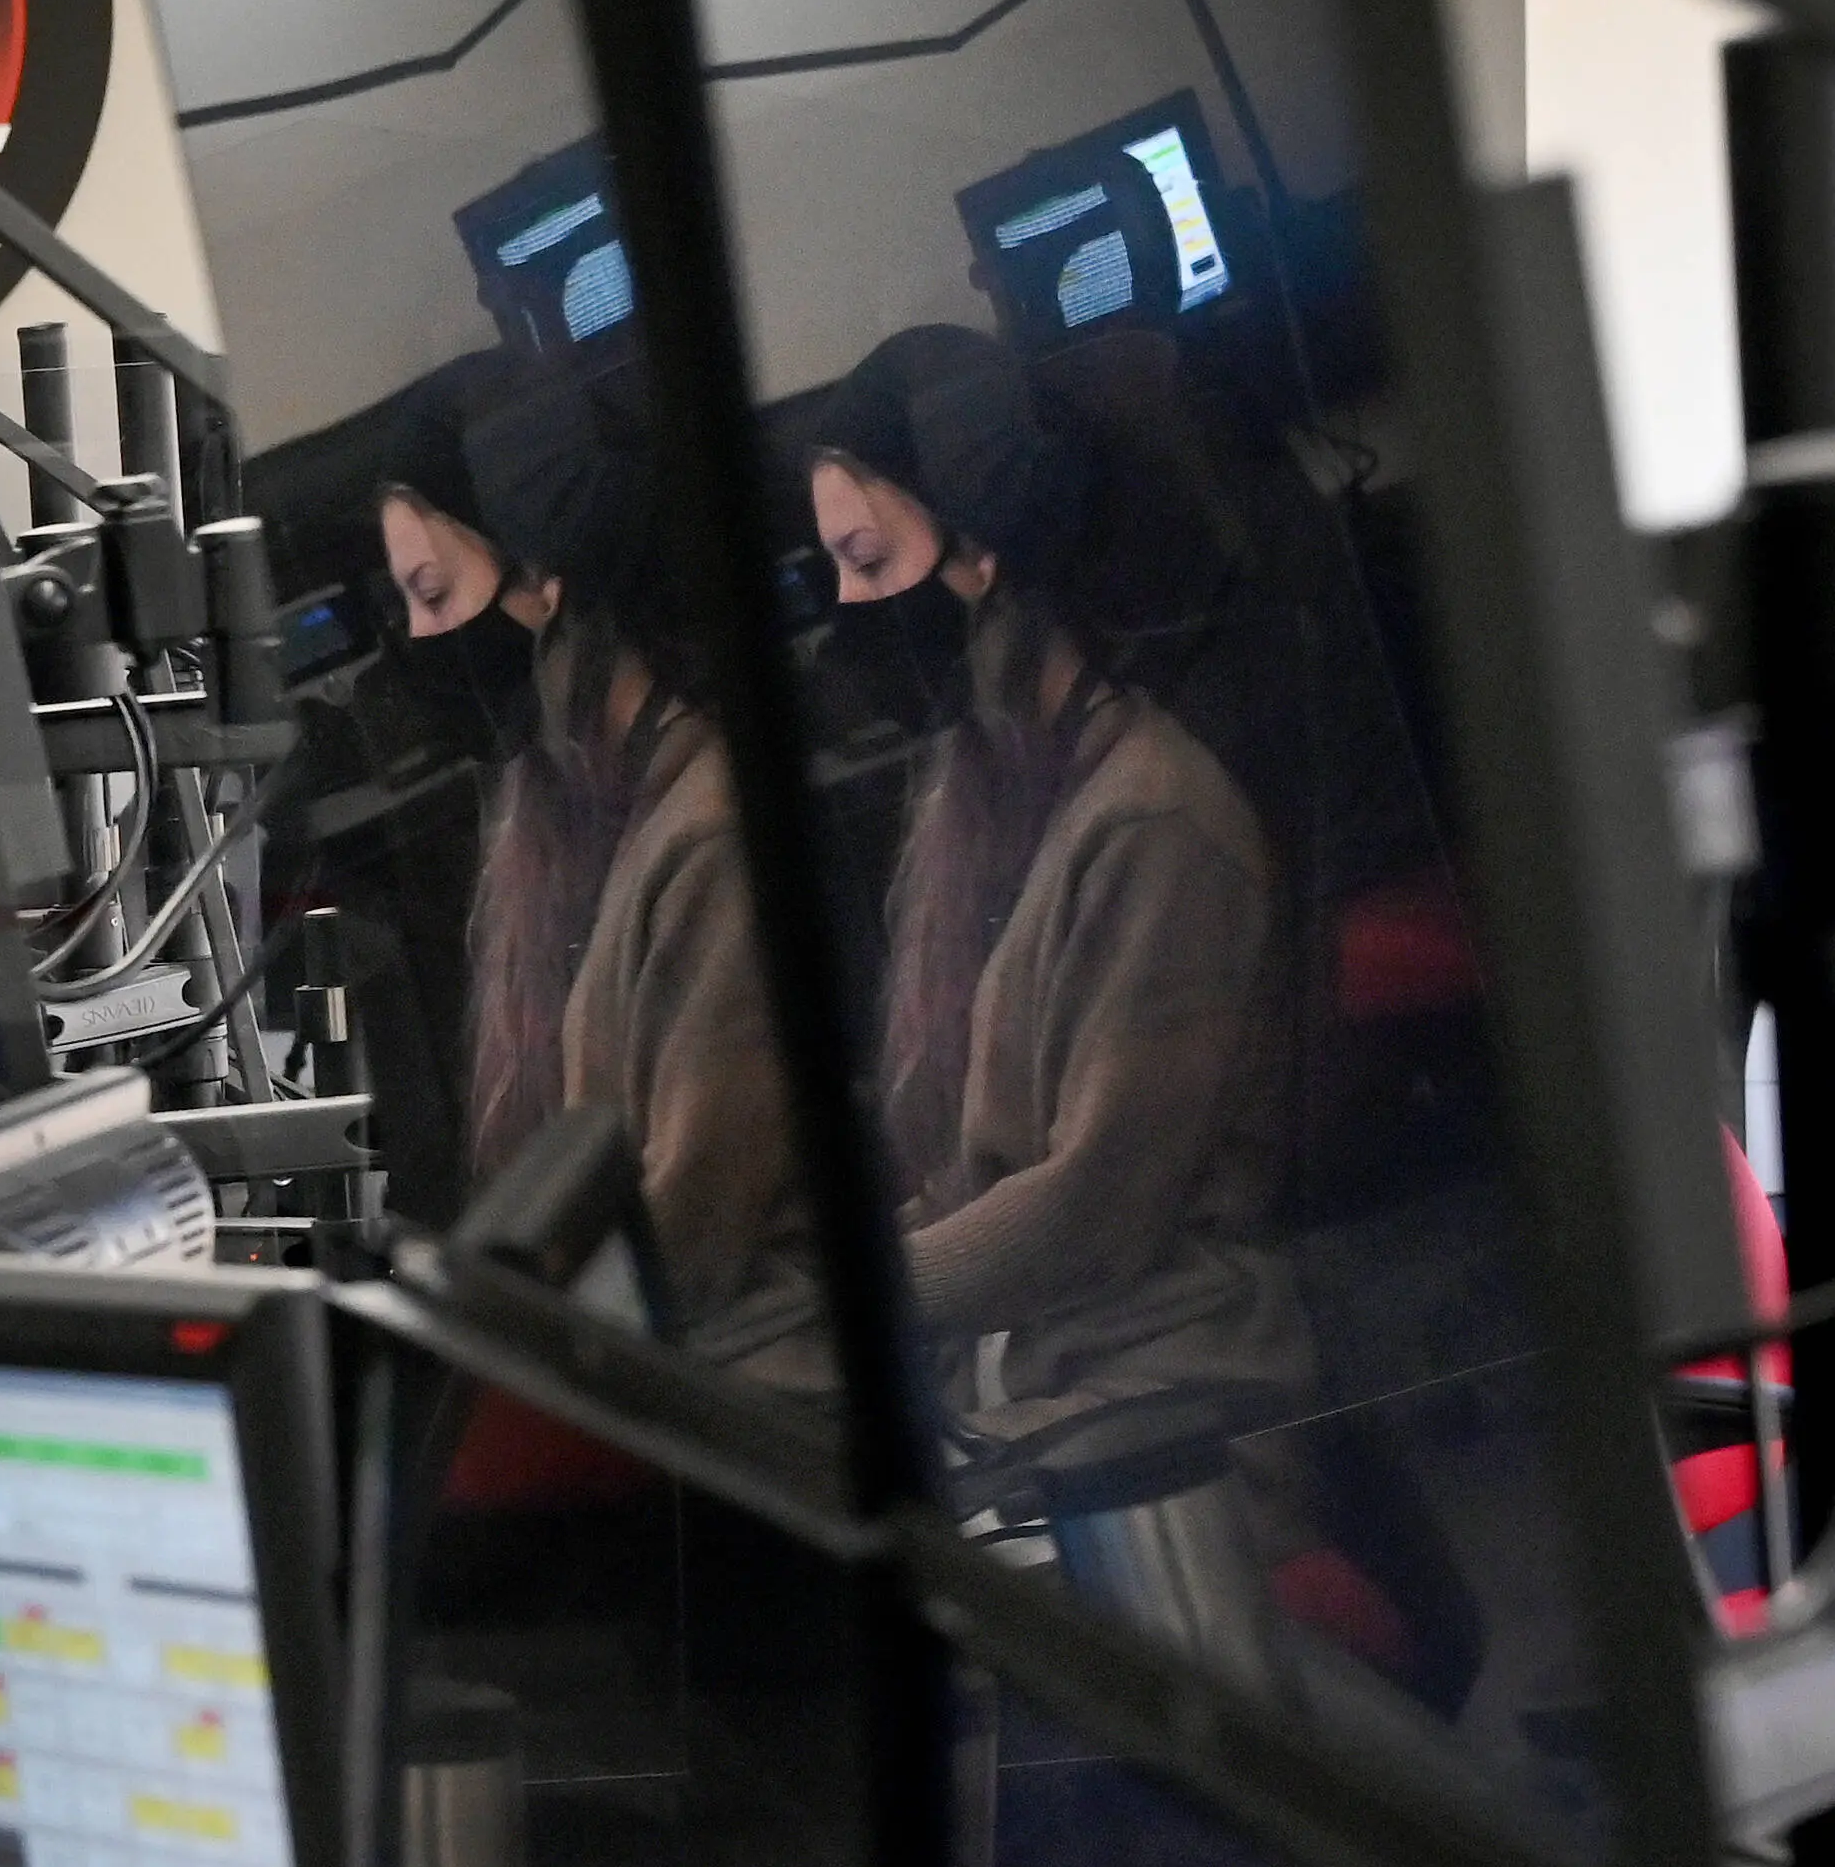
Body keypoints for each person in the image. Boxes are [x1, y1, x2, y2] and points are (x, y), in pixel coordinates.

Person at [802, 324, 1304, 1438]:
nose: (846, 611)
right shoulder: (989, 817)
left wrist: (843, 1302)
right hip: (1032, 1377)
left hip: (1168, 1397)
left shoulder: (1153, 819)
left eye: (869, 561)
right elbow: (958, 1168)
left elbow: (1092, 1204)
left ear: (983, 556)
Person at [377, 352, 811, 1365]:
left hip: (761, 1383)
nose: (417, 636)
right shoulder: (589, 831)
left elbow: (690, 1224)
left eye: (433, 590)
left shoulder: (708, 832)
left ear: (543, 581)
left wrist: (471, 1348)